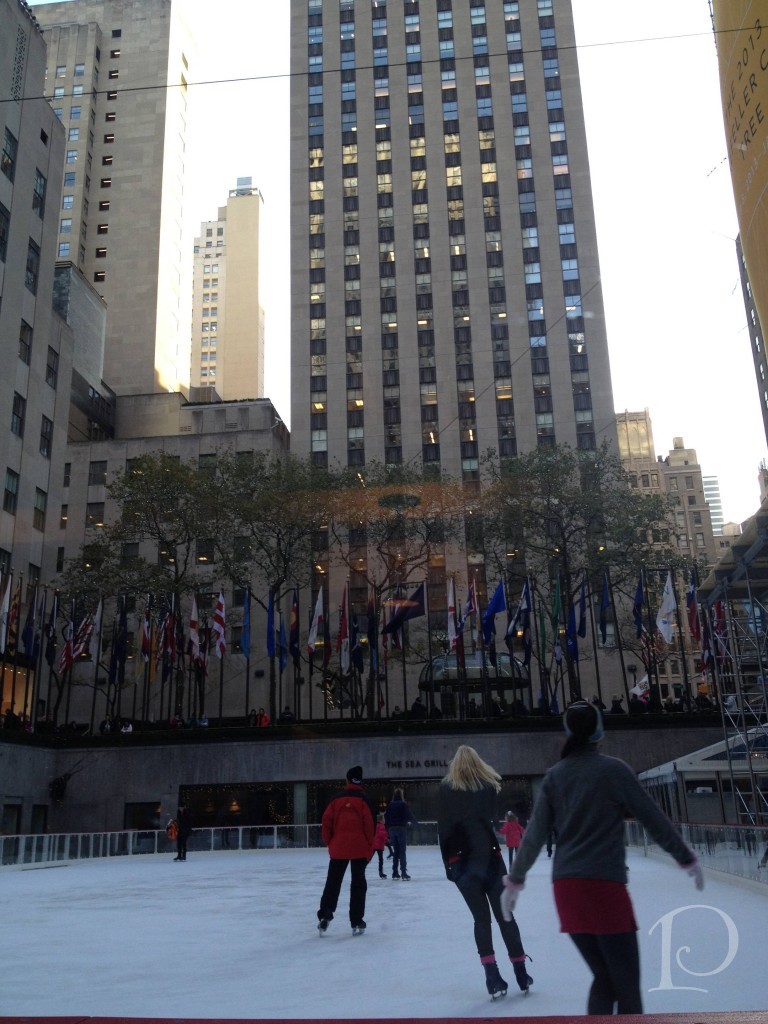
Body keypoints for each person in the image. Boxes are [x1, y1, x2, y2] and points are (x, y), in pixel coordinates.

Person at [502, 701, 704, 1016]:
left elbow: (535, 834)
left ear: (568, 731)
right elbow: (652, 818)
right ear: (599, 730)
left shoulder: (556, 776)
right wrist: (685, 857)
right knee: (624, 982)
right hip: (603, 885)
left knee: (605, 977)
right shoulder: (614, 770)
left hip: (567, 888)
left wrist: (515, 879)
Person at [437, 745, 532, 999]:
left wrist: (448, 865)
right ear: (477, 762)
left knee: (481, 920)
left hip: (461, 862)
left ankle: (492, 976)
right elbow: (486, 817)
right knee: (505, 916)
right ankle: (521, 970)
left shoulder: (445, 789)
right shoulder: (488, 787)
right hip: (490, 859)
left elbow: (444, 829)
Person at [317, 765, 375, 936]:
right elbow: (370, 826)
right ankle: (357, 920)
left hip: (339, 848)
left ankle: (325, 915)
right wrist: (368, 848)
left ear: (348, 780)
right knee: (358, 884)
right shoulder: (364, 800)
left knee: (333, 882)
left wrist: (331, 842)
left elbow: (326, 822)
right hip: (359, 849)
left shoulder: (336, 799)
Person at [384, 787, 417, 880]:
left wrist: (387, 829)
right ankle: (403, 872)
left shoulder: (390, 805)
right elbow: (409, 814)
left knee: (396, 851)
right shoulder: (403, 804)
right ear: (401, 795)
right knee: (402, 852)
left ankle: (395, 872)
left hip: (392, 830)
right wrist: (416, 824)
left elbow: (386, 817)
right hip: (401, 829)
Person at [373, 813, 389, 879]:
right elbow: (381, 834)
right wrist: (386, 839)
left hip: (374, 844)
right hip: (379, 844)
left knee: (369, 858)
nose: (384, 820)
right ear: (381, 820)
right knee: (380, 859)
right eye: (383, 819)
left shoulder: (375, 825)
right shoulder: (382, 826)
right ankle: (381, 872)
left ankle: (363, 868)